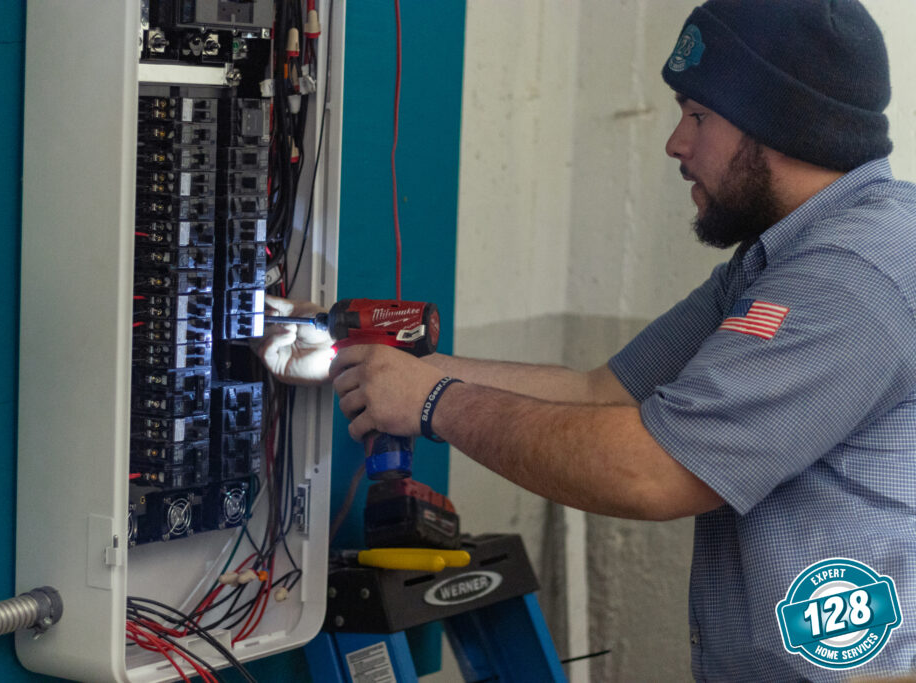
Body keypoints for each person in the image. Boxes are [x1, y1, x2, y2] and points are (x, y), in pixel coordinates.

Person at [258, 0, 916, 679]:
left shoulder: (851, 279)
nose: (675, 144)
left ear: (781, 123)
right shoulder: (776, 263)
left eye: (697, 116)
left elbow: (655, 469)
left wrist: (434, 401)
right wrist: (400, 368)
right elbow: (601, 392)